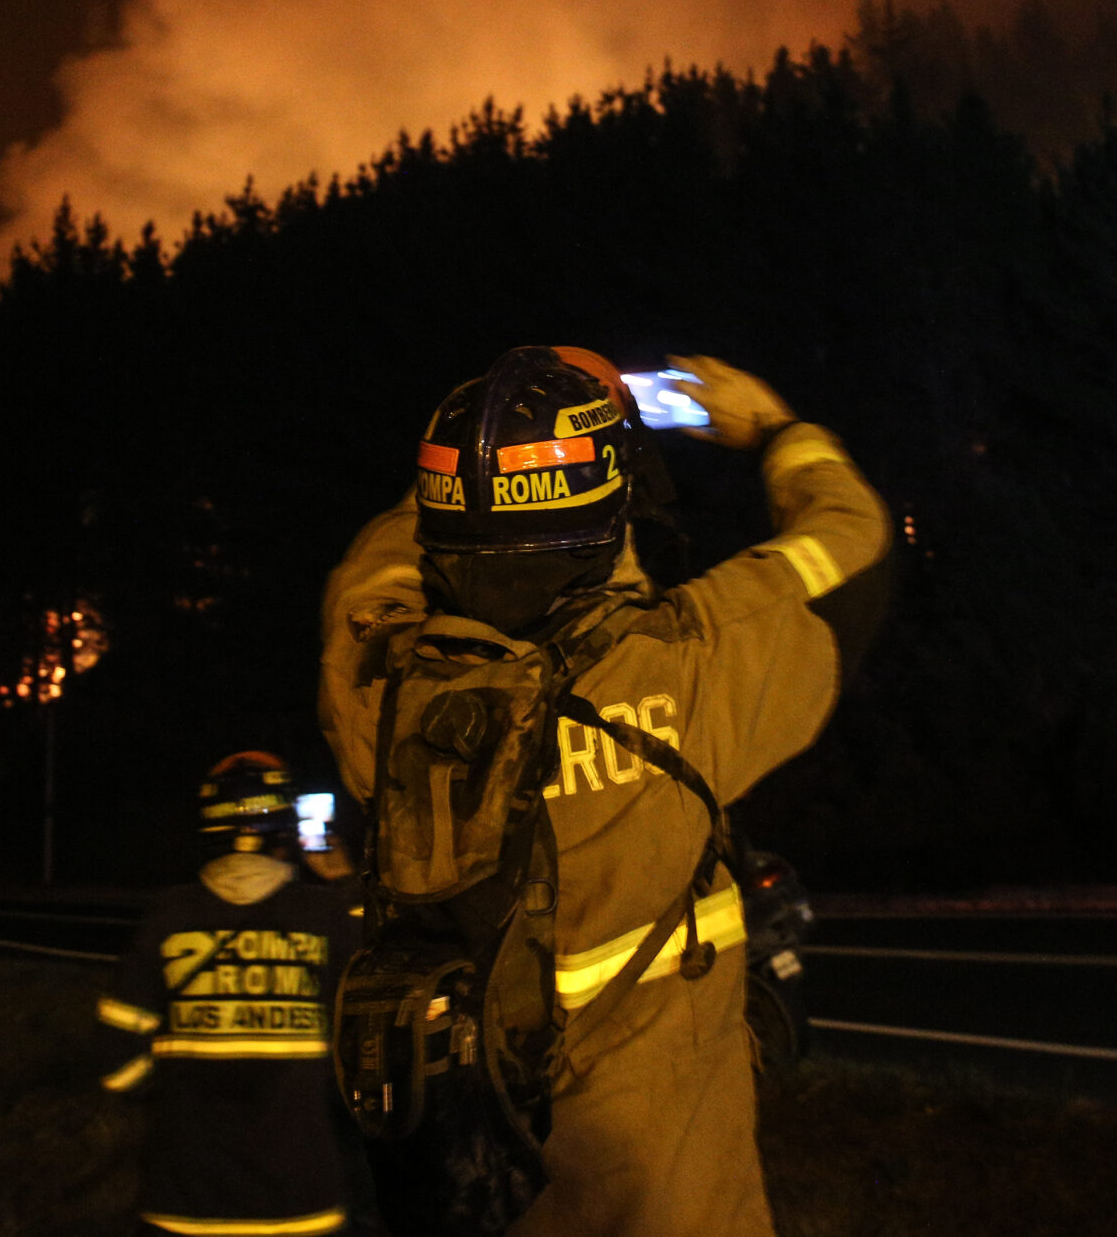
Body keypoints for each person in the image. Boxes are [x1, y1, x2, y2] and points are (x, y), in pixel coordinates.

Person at [319, 349, 890, 1237]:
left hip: (484, 1202)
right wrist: (779, 431)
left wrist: (481, 458)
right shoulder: (687, 671)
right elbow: (853, 545)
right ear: (613, 507)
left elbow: (373, 579)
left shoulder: (382, 690)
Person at [98, 750, 362, 1237]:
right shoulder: (325, 920)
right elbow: (368, 1032)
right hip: (303, 1205)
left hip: (181, 1206)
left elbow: (118, 1071)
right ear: (287, 826)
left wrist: (180, 1090)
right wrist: (345, 885)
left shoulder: (168, 918)